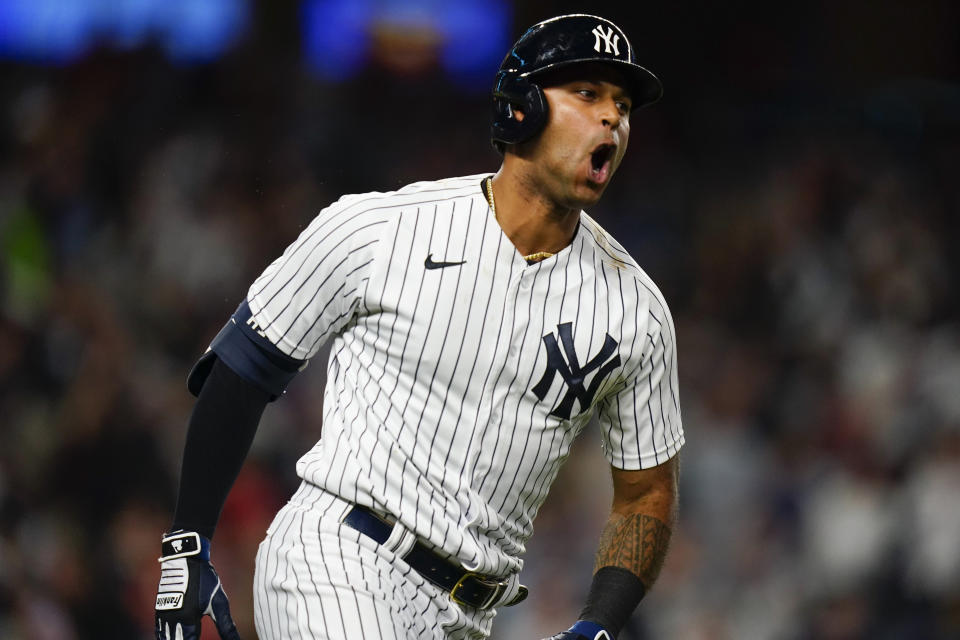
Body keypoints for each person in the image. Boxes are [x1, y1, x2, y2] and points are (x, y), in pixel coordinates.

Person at [154, 13, 683, 640]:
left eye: (622, 105)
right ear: (521, 106)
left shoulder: (636, 310)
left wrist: (599, 624)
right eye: (587, 95)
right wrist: (188, 543)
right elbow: (245, 365)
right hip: (339, 557)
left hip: (472, 615)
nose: (612, 120)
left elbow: (646, 493)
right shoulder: (380, 229)